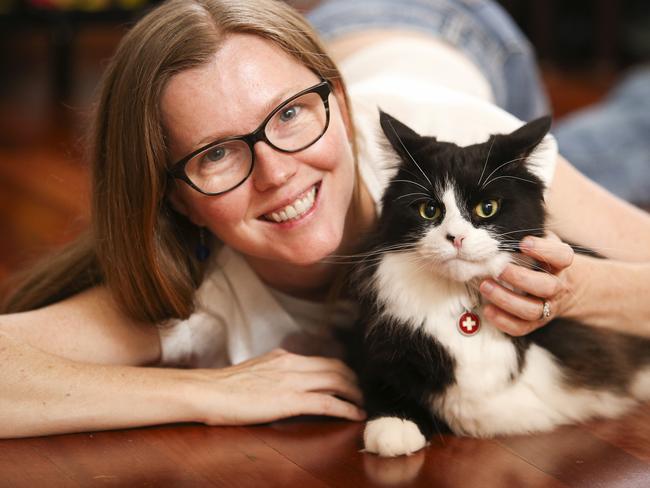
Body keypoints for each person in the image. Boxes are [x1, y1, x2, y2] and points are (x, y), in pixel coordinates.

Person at [0, 0, 649, 439]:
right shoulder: (205, 294)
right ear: (175, 196)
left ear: (336, 103)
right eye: (218, 153)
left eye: (291, 117)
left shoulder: (445, 136)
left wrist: (584, 290)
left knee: (610, 157)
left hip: (446, 32)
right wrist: (212, 394)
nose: (277, 173)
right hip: (316, 65)